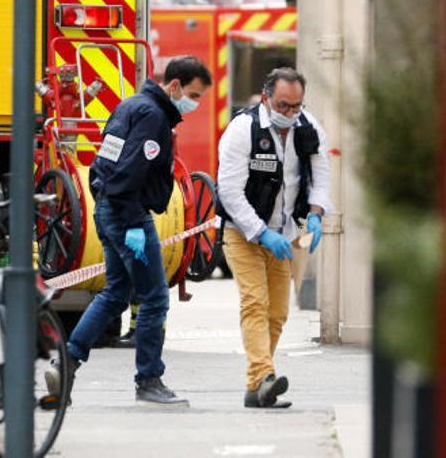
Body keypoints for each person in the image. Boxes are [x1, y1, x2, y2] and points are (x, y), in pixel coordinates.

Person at [47, 56, 212, 406]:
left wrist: (107, 206)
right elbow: (129, 171)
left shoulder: (130, 106)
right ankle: (149, 379)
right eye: (193, 95)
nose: (194, 104)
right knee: (154, 297)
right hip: (128, 214)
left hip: (111, 209)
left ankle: (69, 359)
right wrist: (131, 222)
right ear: (174, 86)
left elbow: (103, 165)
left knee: (116, 292)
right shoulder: (153, 117)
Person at [217, 67, 331, 408]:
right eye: (283, 106)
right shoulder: (242, 130)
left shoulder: (309, 129)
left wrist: (315, 213)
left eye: (296, 106)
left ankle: (256, 389)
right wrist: (261, 232)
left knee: (278, 313)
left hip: (285, 234)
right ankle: (264, 376)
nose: (290, 114)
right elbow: (230, 192)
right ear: (266, 97)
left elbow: (322, 176)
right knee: (255, 303)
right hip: (243, 233)